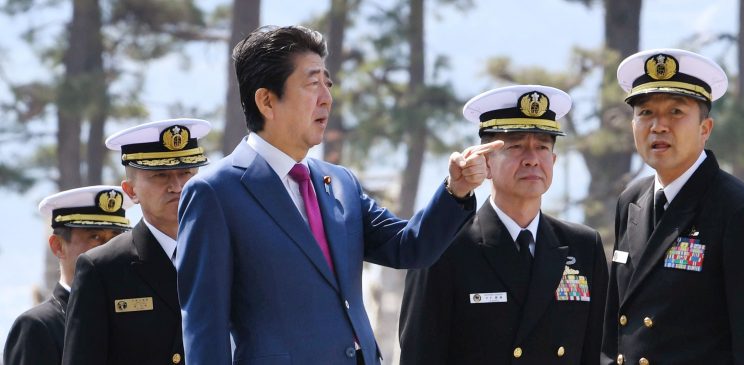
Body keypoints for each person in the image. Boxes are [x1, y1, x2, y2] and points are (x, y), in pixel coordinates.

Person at [175, 25, 499, 365]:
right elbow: (204, 327)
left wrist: (456, 189)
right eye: (312, 83)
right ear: (267, 101)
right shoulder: (215, 193)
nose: (326, 98)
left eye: (327, 84)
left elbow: (408, 247)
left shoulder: (340, 182)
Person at [399, 85, 608, 364]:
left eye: (542, 147)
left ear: (554, 160)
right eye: (516, 146)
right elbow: (420, 353)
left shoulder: (583, 246)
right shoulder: (445, 246)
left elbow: (597, 351)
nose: (532, 159)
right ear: (485, 162)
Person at [601, 48, 744, 365]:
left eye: (675, 112)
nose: (658, 126)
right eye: (646, 113)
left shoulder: (740, 210)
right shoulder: (631, 200)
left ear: (705, 129)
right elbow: (615, 331)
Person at [62, 118, 211, 365]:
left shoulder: (224, 252)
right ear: (130, 191)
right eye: (160, 175)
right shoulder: (102, 268)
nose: (176, 186)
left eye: (186, 172)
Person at [3, 185, 132, 365]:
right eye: (95, 237)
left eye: (115, 238)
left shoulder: (132, 318)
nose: (108, 248)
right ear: (58, 246)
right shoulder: (37, 326)